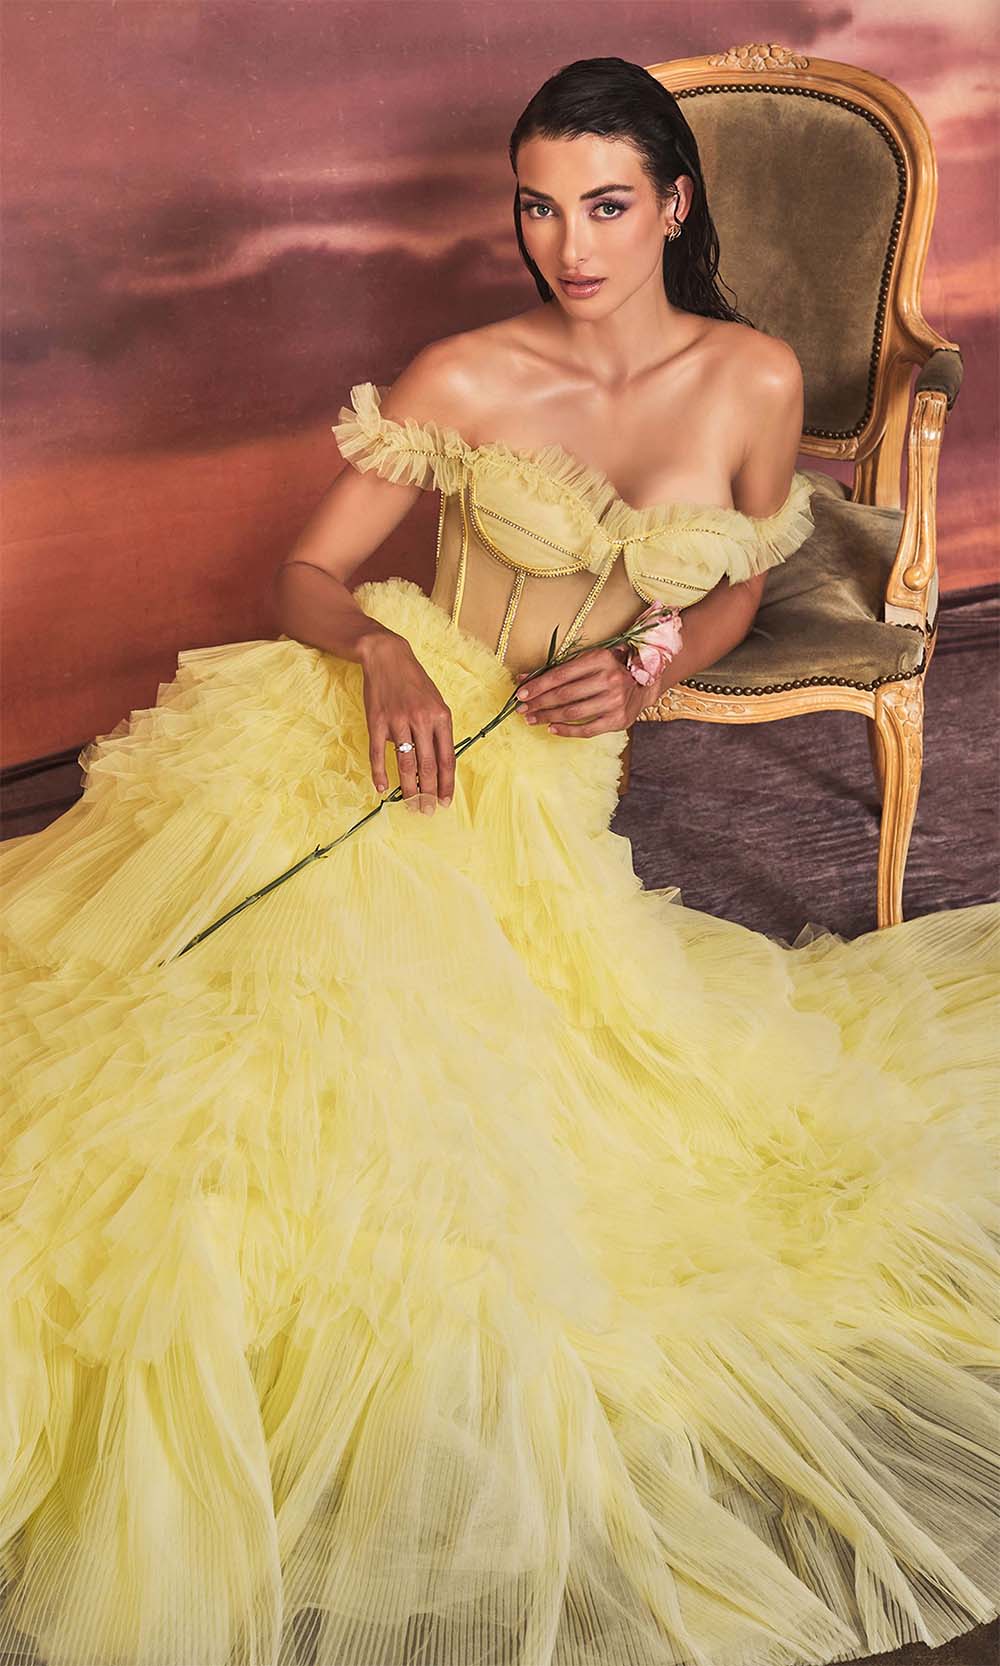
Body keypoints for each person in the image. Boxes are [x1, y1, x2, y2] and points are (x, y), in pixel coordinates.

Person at [1, 52, 997, 1666]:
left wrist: (651, 659)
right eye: (539, 208)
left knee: (546, 1125)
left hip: (539, 777)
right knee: (230, 1046)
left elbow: (739, 581)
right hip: (362, 727)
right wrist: (381, 655)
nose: (568, 244)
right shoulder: (466, 373)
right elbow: (305, 573)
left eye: (604, 205)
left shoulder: (751, 380)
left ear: (674, 205)